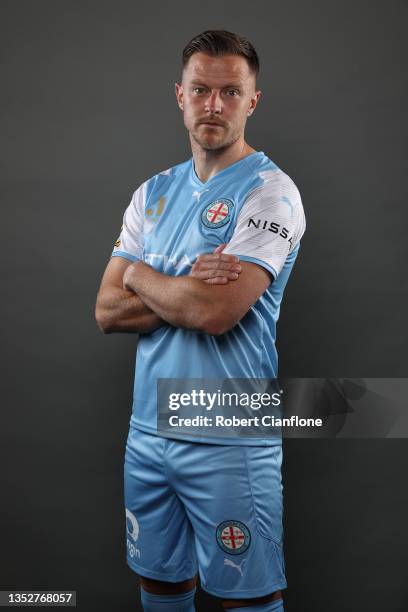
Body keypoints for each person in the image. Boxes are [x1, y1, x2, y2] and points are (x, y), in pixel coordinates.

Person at [95, 30, 305, 612]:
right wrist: (183, 279)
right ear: (181, 96)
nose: (214, 104)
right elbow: (106, 311)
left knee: (249, 596)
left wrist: (139, 274)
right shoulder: (152, 195)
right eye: (202, 89)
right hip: (147, 430)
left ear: (252, 100)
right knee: (160, 583)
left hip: (229, 434)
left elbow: (215, 311)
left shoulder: (271, 193)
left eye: (230, 92)